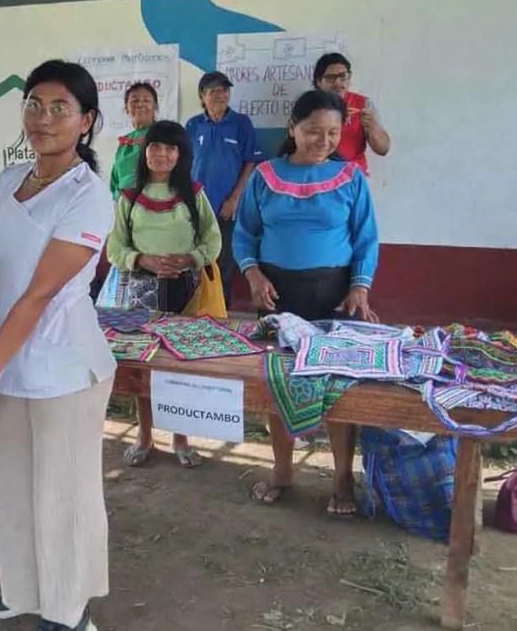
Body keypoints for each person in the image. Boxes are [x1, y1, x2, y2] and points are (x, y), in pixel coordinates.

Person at [0, 59, 115, 631]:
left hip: (65, 366)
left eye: (61, 108)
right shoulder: (9, 180)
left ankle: (69, 611)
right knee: (14, 485)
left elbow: (38, 293)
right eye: (34, 104)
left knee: (64, 493)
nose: (44, 118)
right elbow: (3, 271)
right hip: (14, 361)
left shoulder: (88, 196)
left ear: (86, 121)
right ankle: (24, 589)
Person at [232, 89, 379, 518]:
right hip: (277, 293)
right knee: (279, 382)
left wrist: (360, 287)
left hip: (335, 294)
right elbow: (245, 234)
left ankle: (342, 479)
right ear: (293, 129)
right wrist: (253, 275)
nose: (324, 140)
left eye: (333, 132)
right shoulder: (265, 175)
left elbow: (366, 238)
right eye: (314, 130)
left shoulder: (350, 177)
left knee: (337, 388)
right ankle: (282, 473)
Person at [105, 120, 221, 468]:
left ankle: (181, 438)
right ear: (145, 152)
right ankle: (145, 435)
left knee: (180, 365)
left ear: (181, 154)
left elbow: (213, 240)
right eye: (155, 146)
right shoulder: (129, 195)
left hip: (186, 290)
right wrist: (144, 260)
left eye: (171, 148)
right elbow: (114, 249)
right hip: (140, 293)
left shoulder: (193, 194)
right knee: (144, 366)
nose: (162, 154)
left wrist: (191, 258)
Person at [185, 71, 264, 305]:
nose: (220, 95)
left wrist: (235, 198)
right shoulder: (193, 125)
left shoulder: (241, 123)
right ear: (202, 96)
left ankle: (220, 313)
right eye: (213, 91)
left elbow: (250, 162)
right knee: (194, 263)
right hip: (196, 208)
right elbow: (183, 163)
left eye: (224, 90)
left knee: (223, 266)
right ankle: (193, 313)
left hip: (226, 209)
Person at [313, 52, 390, 175]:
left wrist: (373, 126)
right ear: (319, 81)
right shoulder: (308, 106)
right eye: (331, 77)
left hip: (354, 175)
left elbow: (383, 149)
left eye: (343, 76)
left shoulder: (363, 104)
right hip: (319, 174)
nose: (338, 83)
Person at [109, 82, 158, 199]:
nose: (140, 105)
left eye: (146, 100)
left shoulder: (163, 134)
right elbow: (115, 180)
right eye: (134, 101)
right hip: (122, 204)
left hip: (151, 203)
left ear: (155, 107)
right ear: (127, 108)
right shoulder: (125, 141)